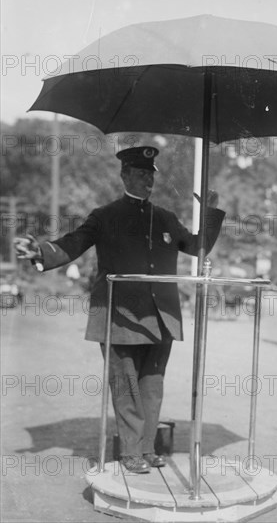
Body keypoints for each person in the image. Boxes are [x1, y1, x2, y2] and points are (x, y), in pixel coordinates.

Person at [14, 146, 225, 474]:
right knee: (125, 385)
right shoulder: (104, 216)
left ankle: (146, 447)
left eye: (151, 174)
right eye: (141, 174)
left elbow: (199, 247)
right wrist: (40, 250)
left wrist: (210, 213)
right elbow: (72, 243)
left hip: (161, 318)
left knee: (152, 386)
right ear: (124, 175)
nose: (148, 180)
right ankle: (130, 452)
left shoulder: (166, 217)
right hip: (119, 316)